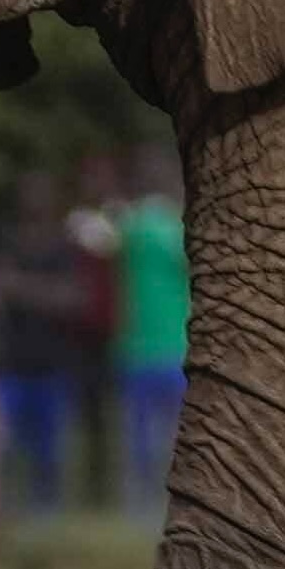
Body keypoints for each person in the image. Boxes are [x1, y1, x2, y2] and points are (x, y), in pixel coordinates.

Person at [0, 159, 91, 520]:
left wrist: (22, 288)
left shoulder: (64, 246)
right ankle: (3, 516)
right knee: (2, 449)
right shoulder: (5, 241)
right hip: (10, 364)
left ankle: (46, 519)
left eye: (41, 194)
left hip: (53, 365)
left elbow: (75, 298)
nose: (34, 200)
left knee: (50, 454)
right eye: (28, 193)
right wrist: (36, 293)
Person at [110, 144, 189, 525]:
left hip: (145, 347)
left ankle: (143, 508)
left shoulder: (129, 224)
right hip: (167, 346)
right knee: (169, 435)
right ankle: (160, 508)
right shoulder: (164, 225)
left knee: (144, 435)